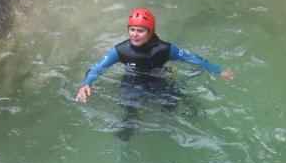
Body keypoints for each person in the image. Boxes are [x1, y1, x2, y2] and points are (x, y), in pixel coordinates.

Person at [76, 8, 234, 138]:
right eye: (131, 29)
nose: (134, 34)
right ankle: (128, 128)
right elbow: (97, 67)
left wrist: (219, 71)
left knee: (175, 103)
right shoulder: (121, 51)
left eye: (140, 31)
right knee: (130, 108)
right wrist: (86, 83)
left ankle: (183, 129)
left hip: (158, 77)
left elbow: (192, 59)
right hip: (133, 79)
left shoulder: (164, 49)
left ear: (150, 32)